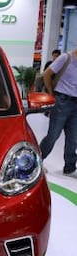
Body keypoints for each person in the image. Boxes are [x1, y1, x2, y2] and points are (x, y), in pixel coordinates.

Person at [40, 48, 77, 177]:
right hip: (62, 100)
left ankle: (70, 167)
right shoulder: (66, 58)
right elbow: (47, 74)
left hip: (75, 104)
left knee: (73, 138)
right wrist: (51, 95)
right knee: (53, 135)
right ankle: (38, 161)